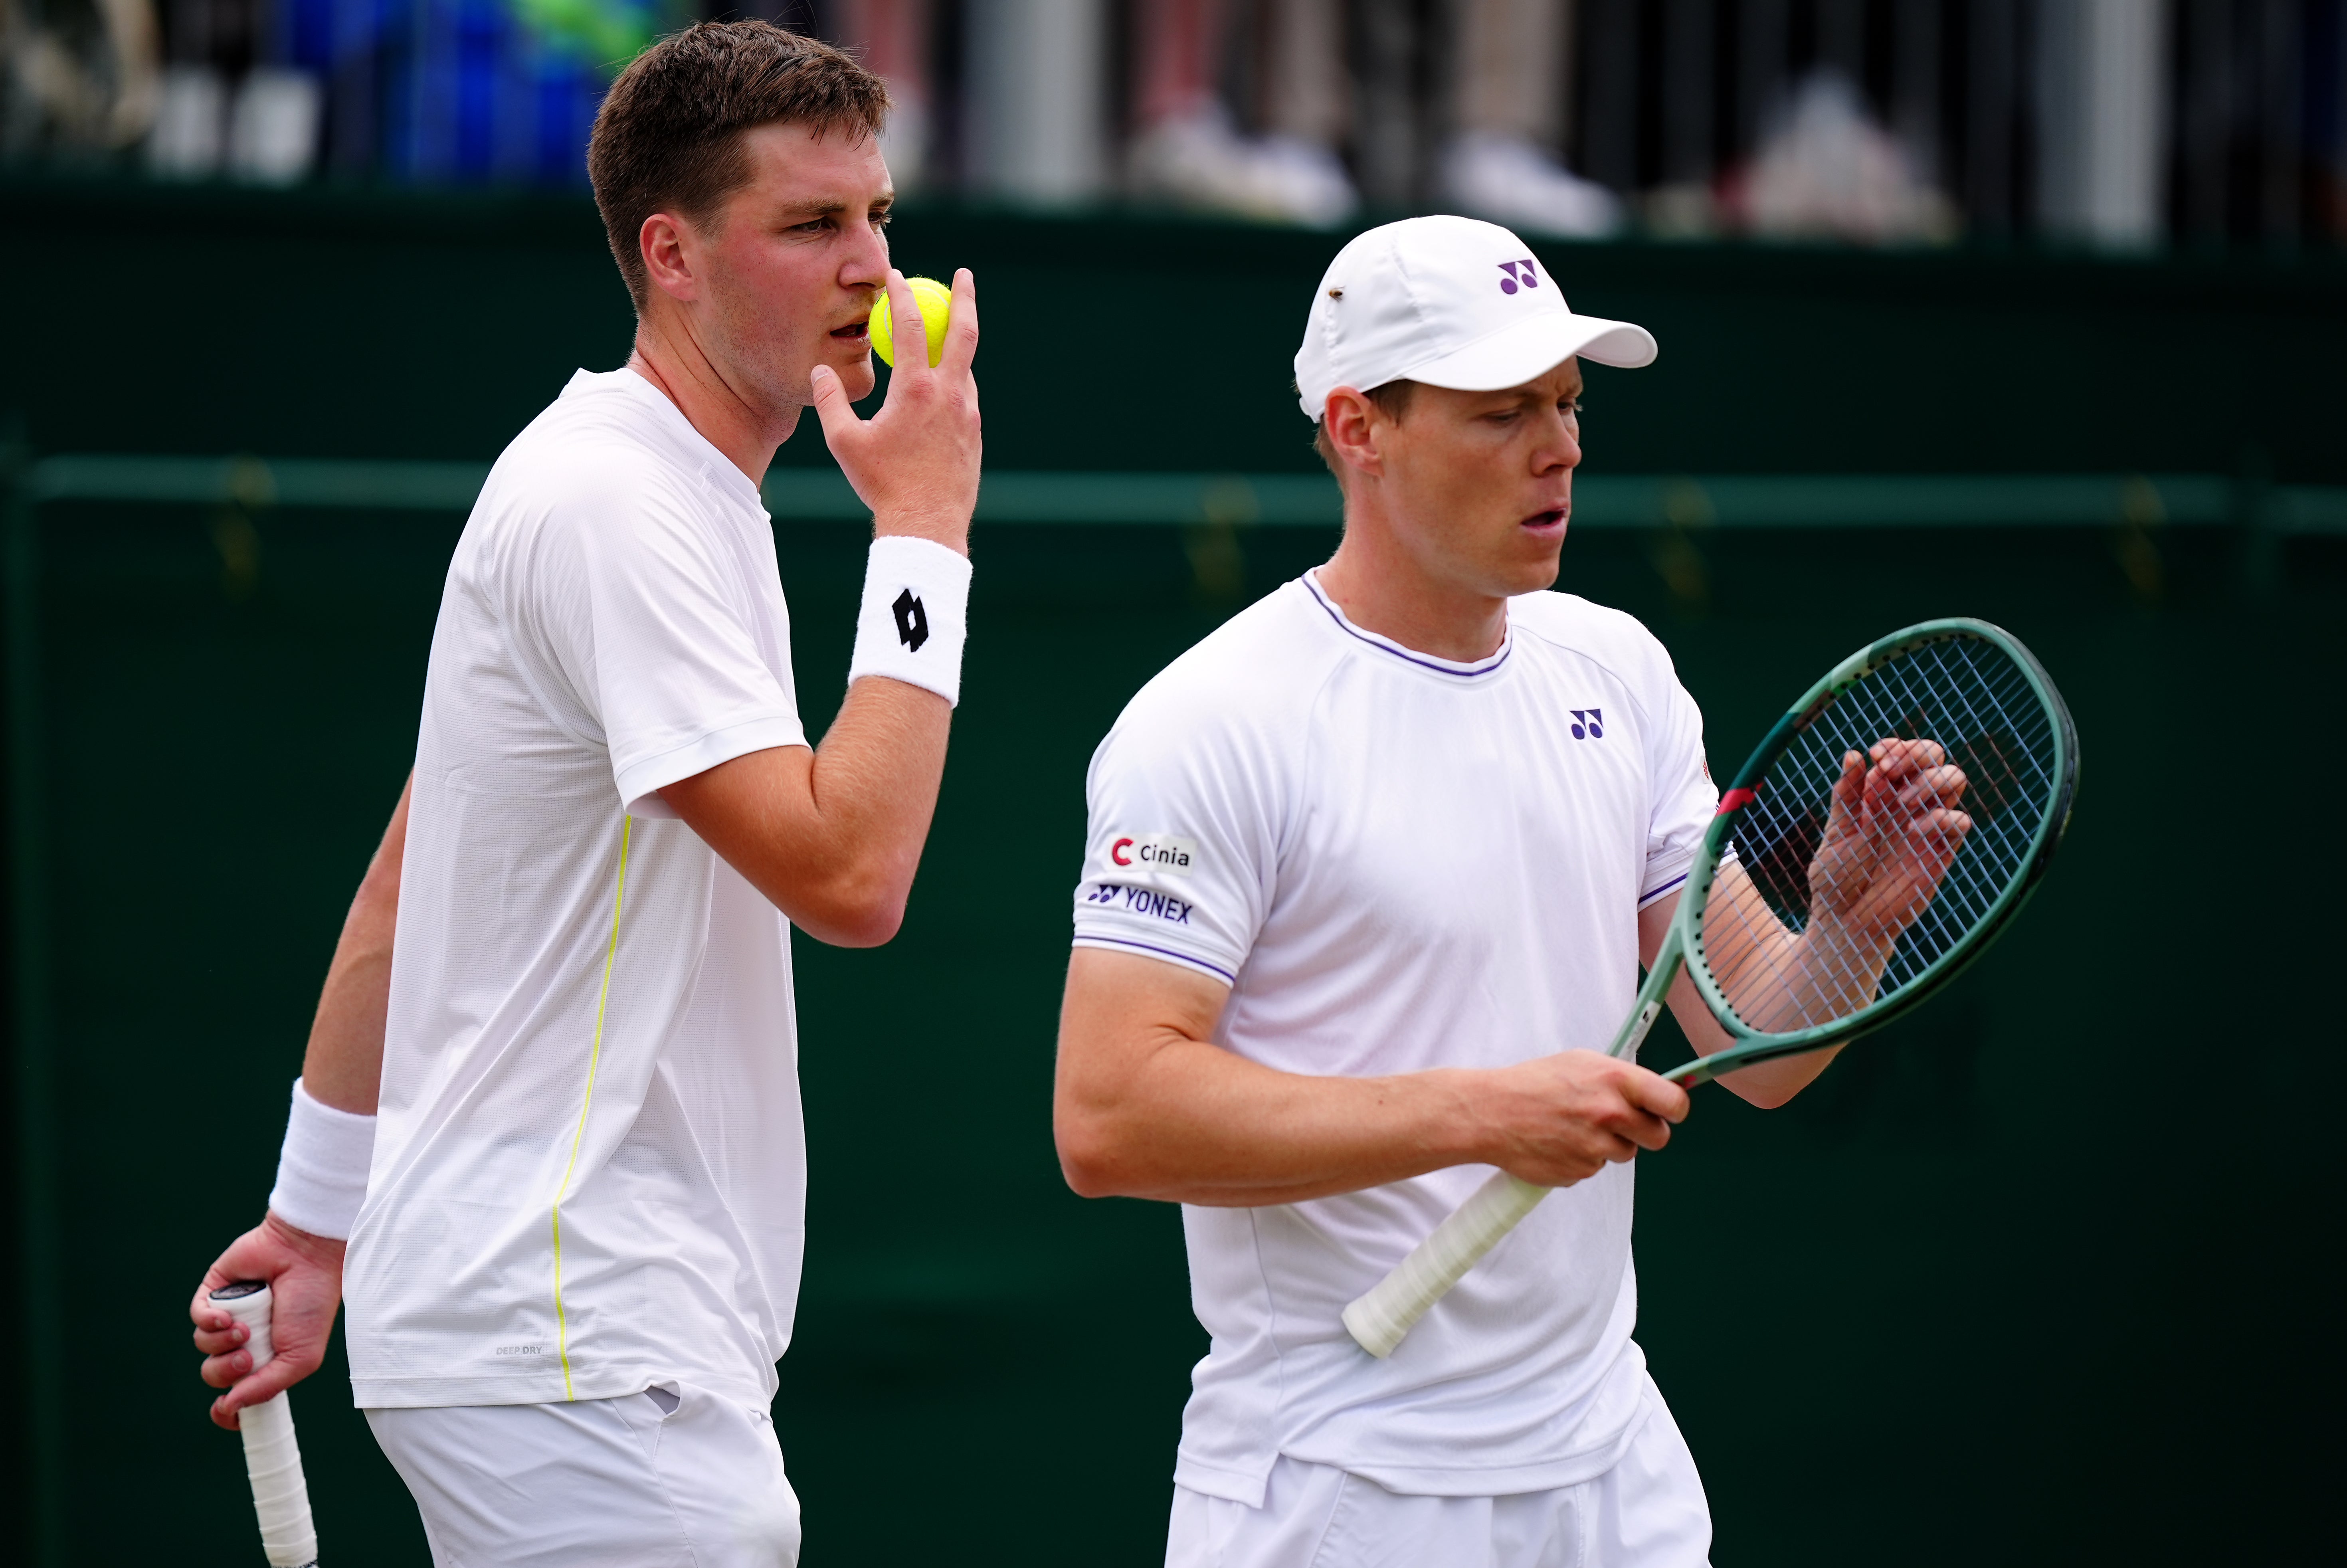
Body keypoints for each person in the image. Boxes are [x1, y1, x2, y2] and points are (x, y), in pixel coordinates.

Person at [1053, 214, 1969, 1566]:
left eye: (1567, 403)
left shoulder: (1619, 670)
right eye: (1501, 413)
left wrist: (1850, 925)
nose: (1562, 448)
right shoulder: (1213, 722)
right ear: (1361, 429)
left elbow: (1759, 1051)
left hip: (1614, 1476)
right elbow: (1110, 1118)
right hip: (1338, 1490)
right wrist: (1488, 1113)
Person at [186, 21, 981, 1565]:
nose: (874, 272)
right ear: (671, 255)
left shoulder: (659, 493)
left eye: (879, 218)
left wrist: (311, 1214)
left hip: (559, 1340)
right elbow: (854, 878)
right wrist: (930, 529)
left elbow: (418, 866)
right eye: (813, 225)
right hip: (576, 1342)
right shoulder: (617, 502)